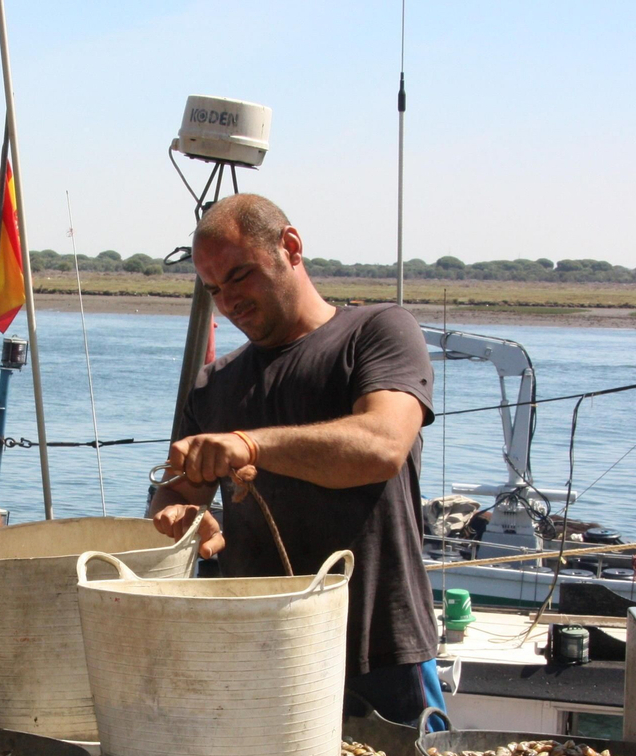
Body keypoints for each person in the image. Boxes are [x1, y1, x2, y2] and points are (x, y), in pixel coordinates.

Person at [148, 194, 443, 723]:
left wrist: (251, 445)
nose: (228, 301)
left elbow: (382, 445)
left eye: (239, 276)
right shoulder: (213, 386)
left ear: (290, 247)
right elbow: (173, 494)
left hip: (380, 657)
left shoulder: (378, 332)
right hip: (256, 652)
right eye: (214, 290)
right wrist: (180, 517)